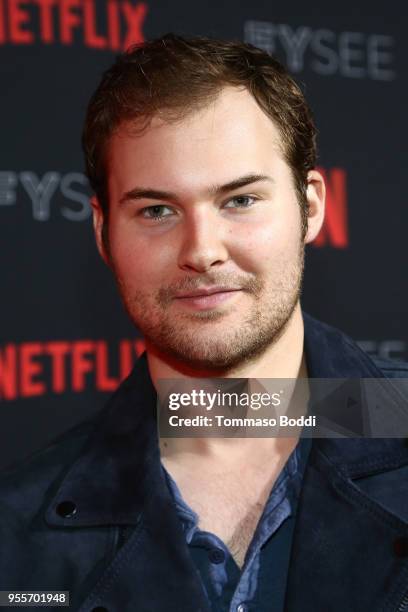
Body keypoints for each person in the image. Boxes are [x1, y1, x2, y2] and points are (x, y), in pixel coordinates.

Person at [1, 33, 408, 612]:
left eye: (240, 200)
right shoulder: (17, 539)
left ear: (311, 206)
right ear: (102, 233)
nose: (202, 250)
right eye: (157, 211)